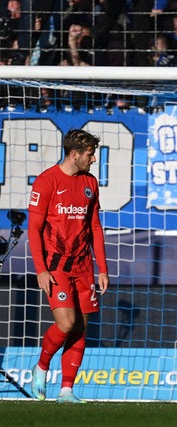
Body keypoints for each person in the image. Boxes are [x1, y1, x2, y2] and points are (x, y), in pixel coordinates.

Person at [28, 129, 109, 403]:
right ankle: (41, 366)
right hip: (55, 265)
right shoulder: (46, 181)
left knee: (80, 329)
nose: (94, 159)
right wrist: (40, 268)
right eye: (90, 154)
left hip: (84, 265)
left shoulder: (90, 183)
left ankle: (66, 391)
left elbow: (94, 227)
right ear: (75, 154)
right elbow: (35, 228)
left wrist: (103, 269)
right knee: (66, 322)